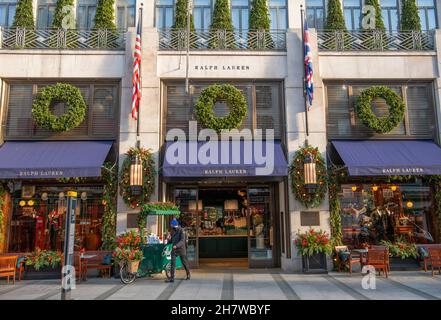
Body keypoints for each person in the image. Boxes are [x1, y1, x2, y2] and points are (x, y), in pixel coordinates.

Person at [165, 218, 190, 283]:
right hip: (174, 249)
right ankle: (172, 278)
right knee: (173, 263)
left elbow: (182, 241)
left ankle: (188, 274)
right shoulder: (173, 231)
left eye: (172, 225)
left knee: (184, 263)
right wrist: (167, 242)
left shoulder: (182, 231)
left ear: (174, 225)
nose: (171, 227)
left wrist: (176, 245)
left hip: (181, 249)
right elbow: (172, 240)